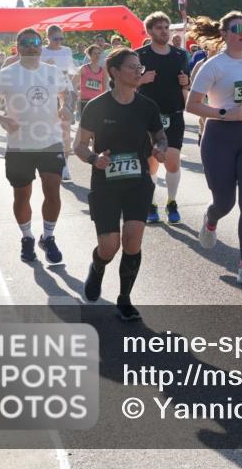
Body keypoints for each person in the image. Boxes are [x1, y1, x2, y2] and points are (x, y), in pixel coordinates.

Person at [75, 48, 167, 321]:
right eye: (132, 67)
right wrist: (94, 158)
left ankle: (124, 298)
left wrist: (161, 148)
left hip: (138, 183)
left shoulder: (147, 106)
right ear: (114, 72)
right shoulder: (97, 107)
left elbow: (160, 137)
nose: (139, 71)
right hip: (106, 185)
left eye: (140, 67)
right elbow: (78, 145)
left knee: (132, 241)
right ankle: (98, 265)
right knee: (110, 247)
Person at [186, 11, 242, 286]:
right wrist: (223, 113)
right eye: (236, 28)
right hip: (220, 139)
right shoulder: (213, 66)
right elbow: (192, 105)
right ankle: (211, 220)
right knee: (225, 203)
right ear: (224, 34)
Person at [0, 28, 70, 264]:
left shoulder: (52, 71)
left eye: (36, 42)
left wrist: (65, 106)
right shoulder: (8, 74)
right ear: (18, 48)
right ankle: (27, 237)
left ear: (41, 46)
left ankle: (48, 237)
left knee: (53, 191)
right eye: (26, 43)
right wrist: (1, 119)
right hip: (19, 146)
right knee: (22, 195)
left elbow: (67, 92)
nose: (32, 46)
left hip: (50, 142)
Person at [136, 12, 191, 224]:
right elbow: (123, 85)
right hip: (149, 117)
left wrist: (186, 81)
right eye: (159, 28)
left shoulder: (180, 55)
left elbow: (186, 84)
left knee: (172, 161)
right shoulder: (139, 55)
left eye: (166, 27)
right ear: (149, 31)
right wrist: (141, 80)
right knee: (151, 162)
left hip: (174, 113)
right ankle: (151, 204)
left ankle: (171, 202)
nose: (164, 31)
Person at [40, 25, 76, 181]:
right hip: (46, 93)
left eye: (61, 38)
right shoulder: (41, 51)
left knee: (65, 129)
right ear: (47, 38)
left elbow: (72, 71)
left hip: (65, 90)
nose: (59, 42)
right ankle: (50, 161)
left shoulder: (66, 51)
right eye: (56, 39)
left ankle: (65, 166)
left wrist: (74, 88)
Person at [75, 44, 108, 116]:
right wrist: (76, 95)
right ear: (89, 55)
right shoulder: (83, 68)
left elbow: (104, 88)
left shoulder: (103, 70)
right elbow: (73, 83)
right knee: (84, 125)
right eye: (95, 53)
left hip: (97, 101)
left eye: (99, 53)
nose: (97, 56)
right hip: (84, 101)